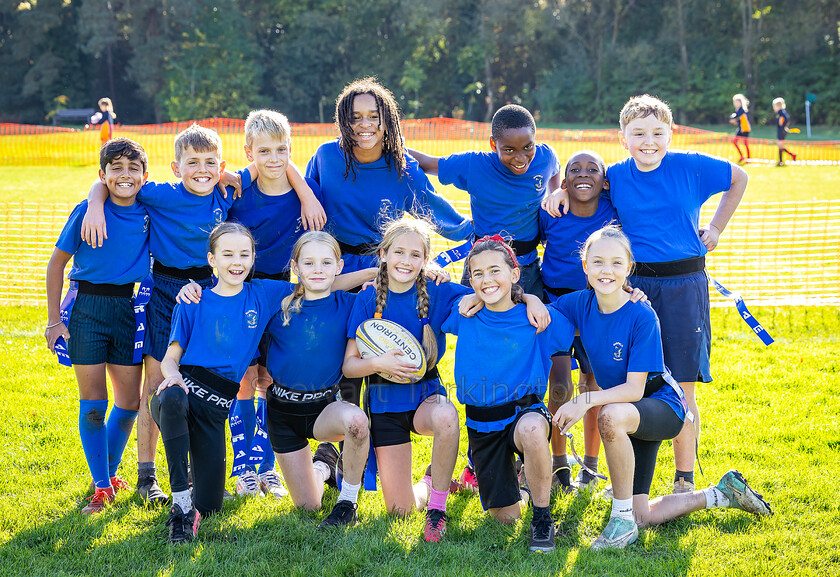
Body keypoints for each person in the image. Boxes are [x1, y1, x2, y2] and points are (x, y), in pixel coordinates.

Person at [81, 123, 321, 504]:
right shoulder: (159, 194)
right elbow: (112, 184)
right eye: (192, 163)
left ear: (222, 164)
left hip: (215, 290)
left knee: (208, 380)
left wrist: (306, 194)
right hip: (166, 291)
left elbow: (270, 162)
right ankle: (148, 476)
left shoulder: (225, 191)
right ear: (176, 168)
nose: (202, 170)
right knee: (158, 382)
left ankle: (201, 470)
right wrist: (95, 202)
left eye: (210, 162)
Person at [544, 94, 748, 496]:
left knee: (680, 385)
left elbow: (739, 177)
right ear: (623, 139)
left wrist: (717, 227)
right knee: (633, 382)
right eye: (638, 133)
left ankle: (683, 479)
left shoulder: (690, 166)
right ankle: (632, 478)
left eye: (658, 132)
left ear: (671, 134)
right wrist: (560, 192)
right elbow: (588, 186)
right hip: (634, 287)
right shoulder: (617, 176)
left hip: (684, 285)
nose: (648, 141)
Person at [552, 226, 772, 550]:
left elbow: (634, 390)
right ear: (584, 266)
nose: (606, 270)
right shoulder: (578, 304)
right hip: (631, 412)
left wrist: (584, 400)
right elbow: (540, 311)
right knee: (644, 514)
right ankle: (722, 493)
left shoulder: (642, 315)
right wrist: (521, 299)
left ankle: (621, 522)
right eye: (597, 262)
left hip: (662, 406)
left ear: (629, 268)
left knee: (609, 417)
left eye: (616, 263)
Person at [175, 231, 374, 530]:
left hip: (324, 407)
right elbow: (231, 295)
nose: (317, 269)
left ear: (340, 265)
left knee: (357, 423)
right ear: (295, 267)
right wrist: (194, 288)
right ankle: (321, 468)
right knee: (309, 507)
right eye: (309, 263)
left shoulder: (350, 304)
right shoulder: (277, 300)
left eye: (326, 263)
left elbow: (396, 285)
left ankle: (347, 502)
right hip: (281, 412)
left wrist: (382, 271)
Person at [152, 223, 294, 544]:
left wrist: (376, 273)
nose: (236, 261)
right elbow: (170, 358)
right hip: (182, 394)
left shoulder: (262, 294)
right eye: (227, 253)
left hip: (215, 410)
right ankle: (180, 504)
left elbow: (321, 285)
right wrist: (172, 375)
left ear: (253, 258)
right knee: (173, 399)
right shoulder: (193, 301)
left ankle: (197, 502)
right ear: (212, 259)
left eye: (244, 254)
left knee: (212, 505)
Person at [440, 236, 574, 553]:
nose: (487, 280)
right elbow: (424, 284)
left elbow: (589, 309)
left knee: (531, 430)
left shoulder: (539, 318)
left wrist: (531, 299)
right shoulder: (463, 310)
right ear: (469, 279)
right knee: (505, 520)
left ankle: (542, 519)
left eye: (495, 270)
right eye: (478, 274)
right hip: (481, 423)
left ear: (514, 273)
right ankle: (524, 488)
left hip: (523, 412)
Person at [341, 219, 472, 543]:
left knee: (446, 415)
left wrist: (531, 299)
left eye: (416, 255)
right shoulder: (368, 298)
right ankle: (428, 486)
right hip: (384, 401)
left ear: (426, 260)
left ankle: (437, 510)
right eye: (398, 252)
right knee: (400, 510)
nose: (406, 261)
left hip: (425, 395)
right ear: (383, 254)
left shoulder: (437, 290)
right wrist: (378, 362)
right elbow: (349, 367)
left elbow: (489, 296)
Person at [225, 109, 326, 499]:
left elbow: (293, 173)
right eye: (263, 150)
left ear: (290, 149)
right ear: (248, 150)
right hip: (241, 292)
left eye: (281, 149)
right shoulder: (237, 191)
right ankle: (243, 469)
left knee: (270, 380)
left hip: (281, 294)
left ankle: (267, 468)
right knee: (244, 382)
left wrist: (304, 191)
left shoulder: (305, 194)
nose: (273, 158)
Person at [44, 138, 150, 514]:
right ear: (102, 175)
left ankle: (105, 472)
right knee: (93, 405)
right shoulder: (86, 211)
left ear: (145, 175)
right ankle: (103, 487)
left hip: (127, 310)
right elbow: (56, 264)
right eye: (115, 169)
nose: (124, 175)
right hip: (86, 309)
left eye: (132, 168)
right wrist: (54, 319)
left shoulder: (149, 210)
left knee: (130, 402)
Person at [306, 77, 473, 276]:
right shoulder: (326, 156)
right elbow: (304, 199)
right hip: (330, 266)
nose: (364, 124)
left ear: (387, 121)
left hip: (383, 269)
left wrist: (478, 233)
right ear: (343, 121)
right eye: (355, 117)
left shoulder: (404, 167)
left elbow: (435, 211)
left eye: (374, 116)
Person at [408, 104, 562, 297]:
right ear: (493, 144)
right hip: (482, 266)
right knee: (472, 320)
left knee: (529, 322)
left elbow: (555, 169)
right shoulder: (474, 165)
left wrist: (555, 193)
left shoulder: (545, 157)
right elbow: (427, 163)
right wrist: (388, 145)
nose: (520, 157)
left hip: (526, 267)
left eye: (527, 147)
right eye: (509, 150)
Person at [539, 150, 617, 494]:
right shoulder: (552, 211)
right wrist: (552, 193)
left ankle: (590, 464)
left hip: (597, 304)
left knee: (594, 385)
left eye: (592, 169)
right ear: (565, 179)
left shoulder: (614, 211)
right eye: (575, 169)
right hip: (557, 303)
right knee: (559, 386)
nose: (583, 175)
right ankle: (559, 464)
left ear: (605, 181)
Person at [772, 98, 797, 166]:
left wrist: (783, 125)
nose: (774, 108)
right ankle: (781, 160)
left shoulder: (781, 112)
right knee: (780, 146)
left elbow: (785, 120)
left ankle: (784, 159)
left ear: (778, 106)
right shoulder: (782, 112)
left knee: (780, 146)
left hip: (781, 131)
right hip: (781, 130)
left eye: (774, 106)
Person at [729, 94, 751, 163]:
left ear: (740, 102)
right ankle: (742, 156)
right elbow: (739, 120)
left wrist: (732, 119)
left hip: (745, 129)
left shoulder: (741, 110)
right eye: (734, 102)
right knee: (734, 141)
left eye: (737, 102)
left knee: (745, 144)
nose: (735, 103)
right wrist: (735, 122)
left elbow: (736, 118)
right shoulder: (737, 110)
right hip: (740, 128)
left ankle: (748, 158)